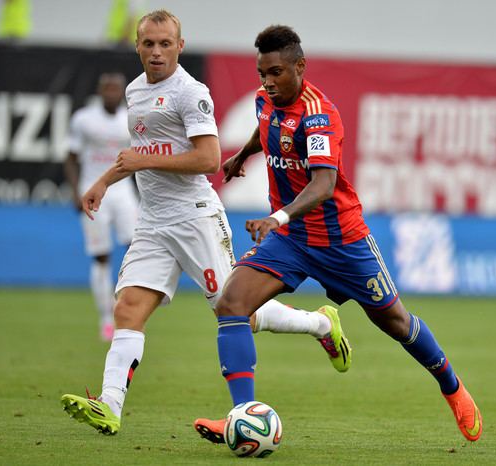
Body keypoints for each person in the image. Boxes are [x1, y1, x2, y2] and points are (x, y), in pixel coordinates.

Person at [61, 10, 352, 436]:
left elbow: (209, 159)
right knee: (127, 308)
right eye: (148, 44)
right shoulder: (135, 91)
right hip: (153, 221)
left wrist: (143, 160)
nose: (156, 52)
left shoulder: (190, 93)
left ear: (180, 46)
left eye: (165, 44)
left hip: (195, 217)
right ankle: (109, 405)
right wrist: (104, 182)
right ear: (138, 47)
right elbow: (140, 151)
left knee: (235, 311)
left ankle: (321, 324)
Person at [193, 25, 483, 444]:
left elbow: (323, 185)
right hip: (292, 242)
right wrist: (244, 153)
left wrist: (277, 218)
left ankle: (452, 386)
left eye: (276, 73)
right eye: (262, 74)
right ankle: (242, 415)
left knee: (397, 323)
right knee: (231, 303)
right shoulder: (264, 100)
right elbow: (266, 125)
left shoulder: (320, 115)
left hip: (341, 240)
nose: (267, 83)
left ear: (300, 67)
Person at [64, 73, 137, 342]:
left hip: (123, 192)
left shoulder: (130, 120)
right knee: (101, 256)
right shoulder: (84, 119)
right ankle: (106, 317)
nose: (111, 93)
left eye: (116, 89)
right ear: (99, 91)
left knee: (136, 248)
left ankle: (128, 308)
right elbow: (70, 157)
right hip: (92, 191)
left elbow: (140, 158)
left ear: (122, 92)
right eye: (107, 88)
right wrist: (75, 192)